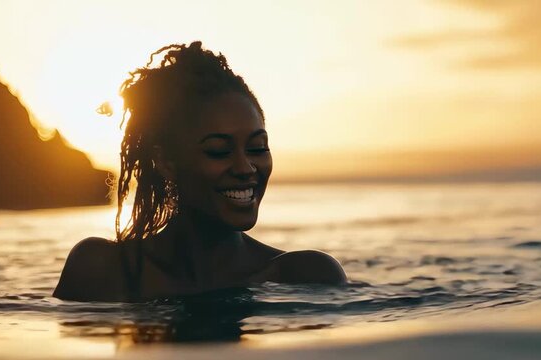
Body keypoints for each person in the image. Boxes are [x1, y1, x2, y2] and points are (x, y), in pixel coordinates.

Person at [53, 41, 346, 302]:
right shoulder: (102, 268)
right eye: (219, 150)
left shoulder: (305, 276)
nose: (246, 168)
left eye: (257, 147)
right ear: (166, 161)